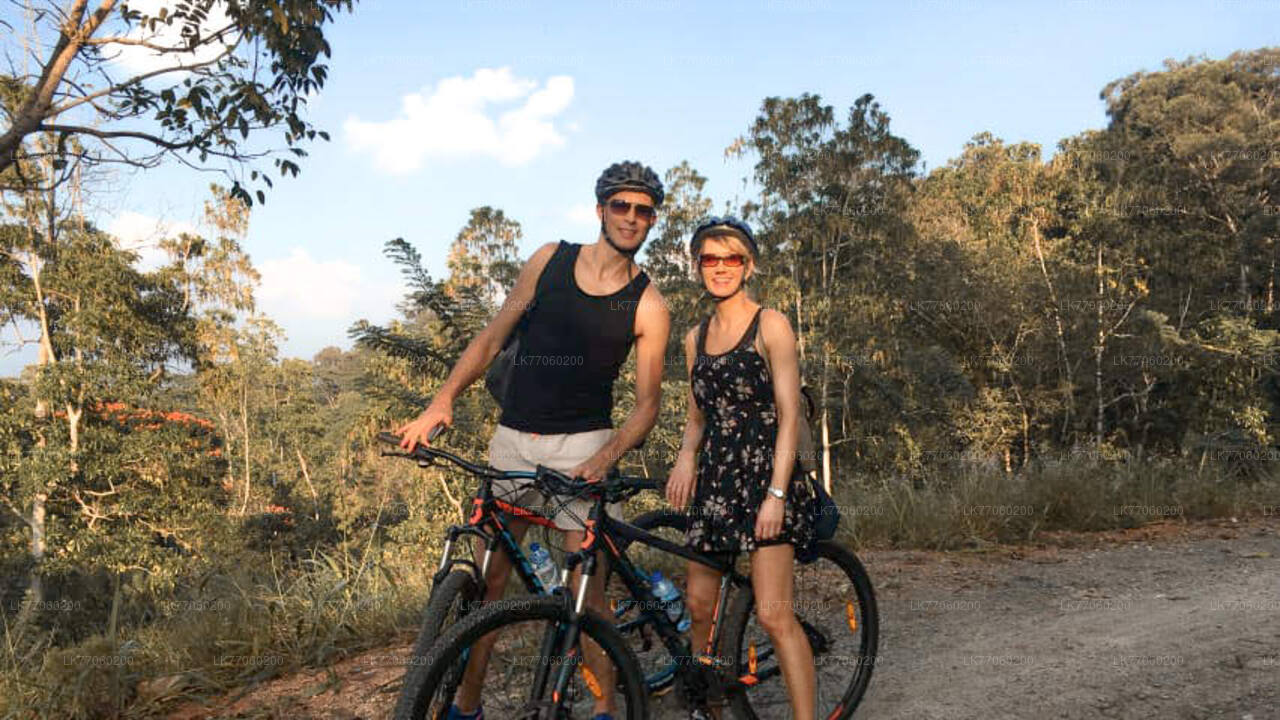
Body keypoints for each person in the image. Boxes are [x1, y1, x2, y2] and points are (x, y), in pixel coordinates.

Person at [396, 161, 671, 720]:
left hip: (582, 447)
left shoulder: (648, 305)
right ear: (601, 209)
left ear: (651, 222)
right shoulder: (549, 260)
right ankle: (466, 707)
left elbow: (646, 408)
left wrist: (603, 459)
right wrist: (441, 400)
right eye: (621, 205)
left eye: (643, 211)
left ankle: (605, 710)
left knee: (587, 599)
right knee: (488, 587)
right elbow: (494, 336)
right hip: (512, 441)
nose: (631, 218)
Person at [665, 216, 820, 719]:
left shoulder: (770, 324)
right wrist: (686, 456)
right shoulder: (695, 337)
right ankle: (707, 709)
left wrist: (776, 495)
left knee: (775, 615)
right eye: (710, 259)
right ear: (698, 267)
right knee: (699, 610)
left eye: (731, 258)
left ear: (748, 265)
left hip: (765, 476)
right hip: (715, 480)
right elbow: (696, 415)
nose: (721, 268)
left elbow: (790, 414)